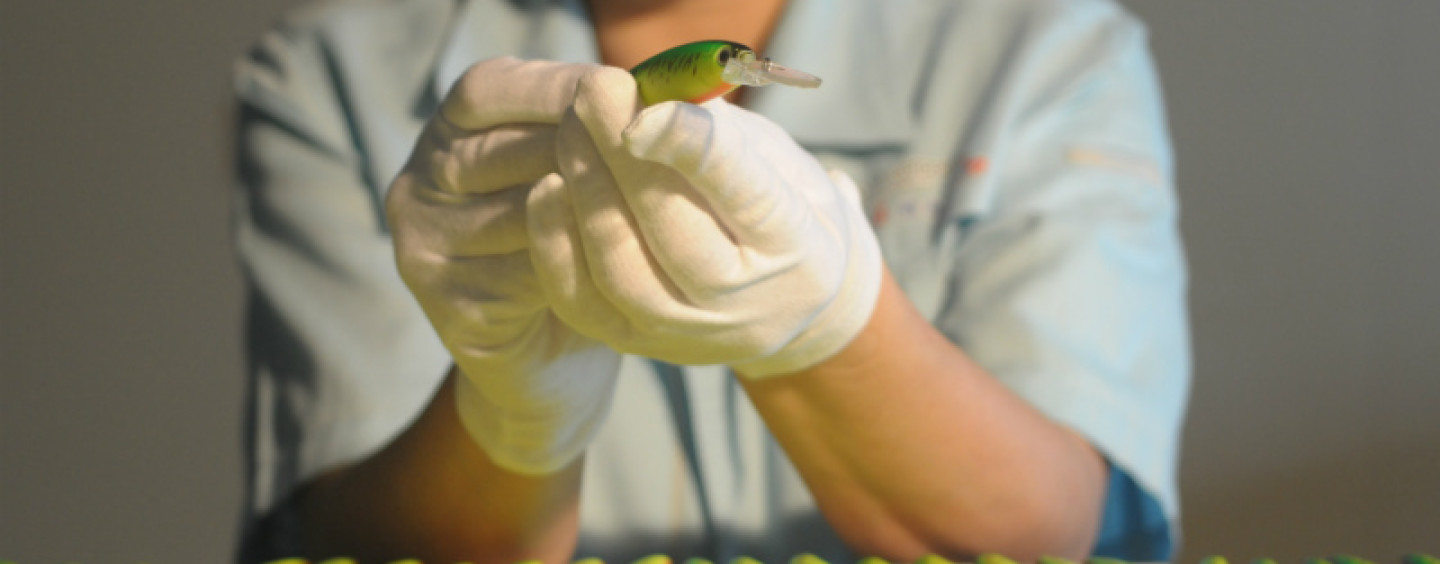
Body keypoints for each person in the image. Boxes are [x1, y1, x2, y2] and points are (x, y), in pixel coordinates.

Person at [232, 0, 1189, 562]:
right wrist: (510, 421)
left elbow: (1067, 530)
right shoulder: (335, 71)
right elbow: (345, 539)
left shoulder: (1045, 45)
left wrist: (837, 324)